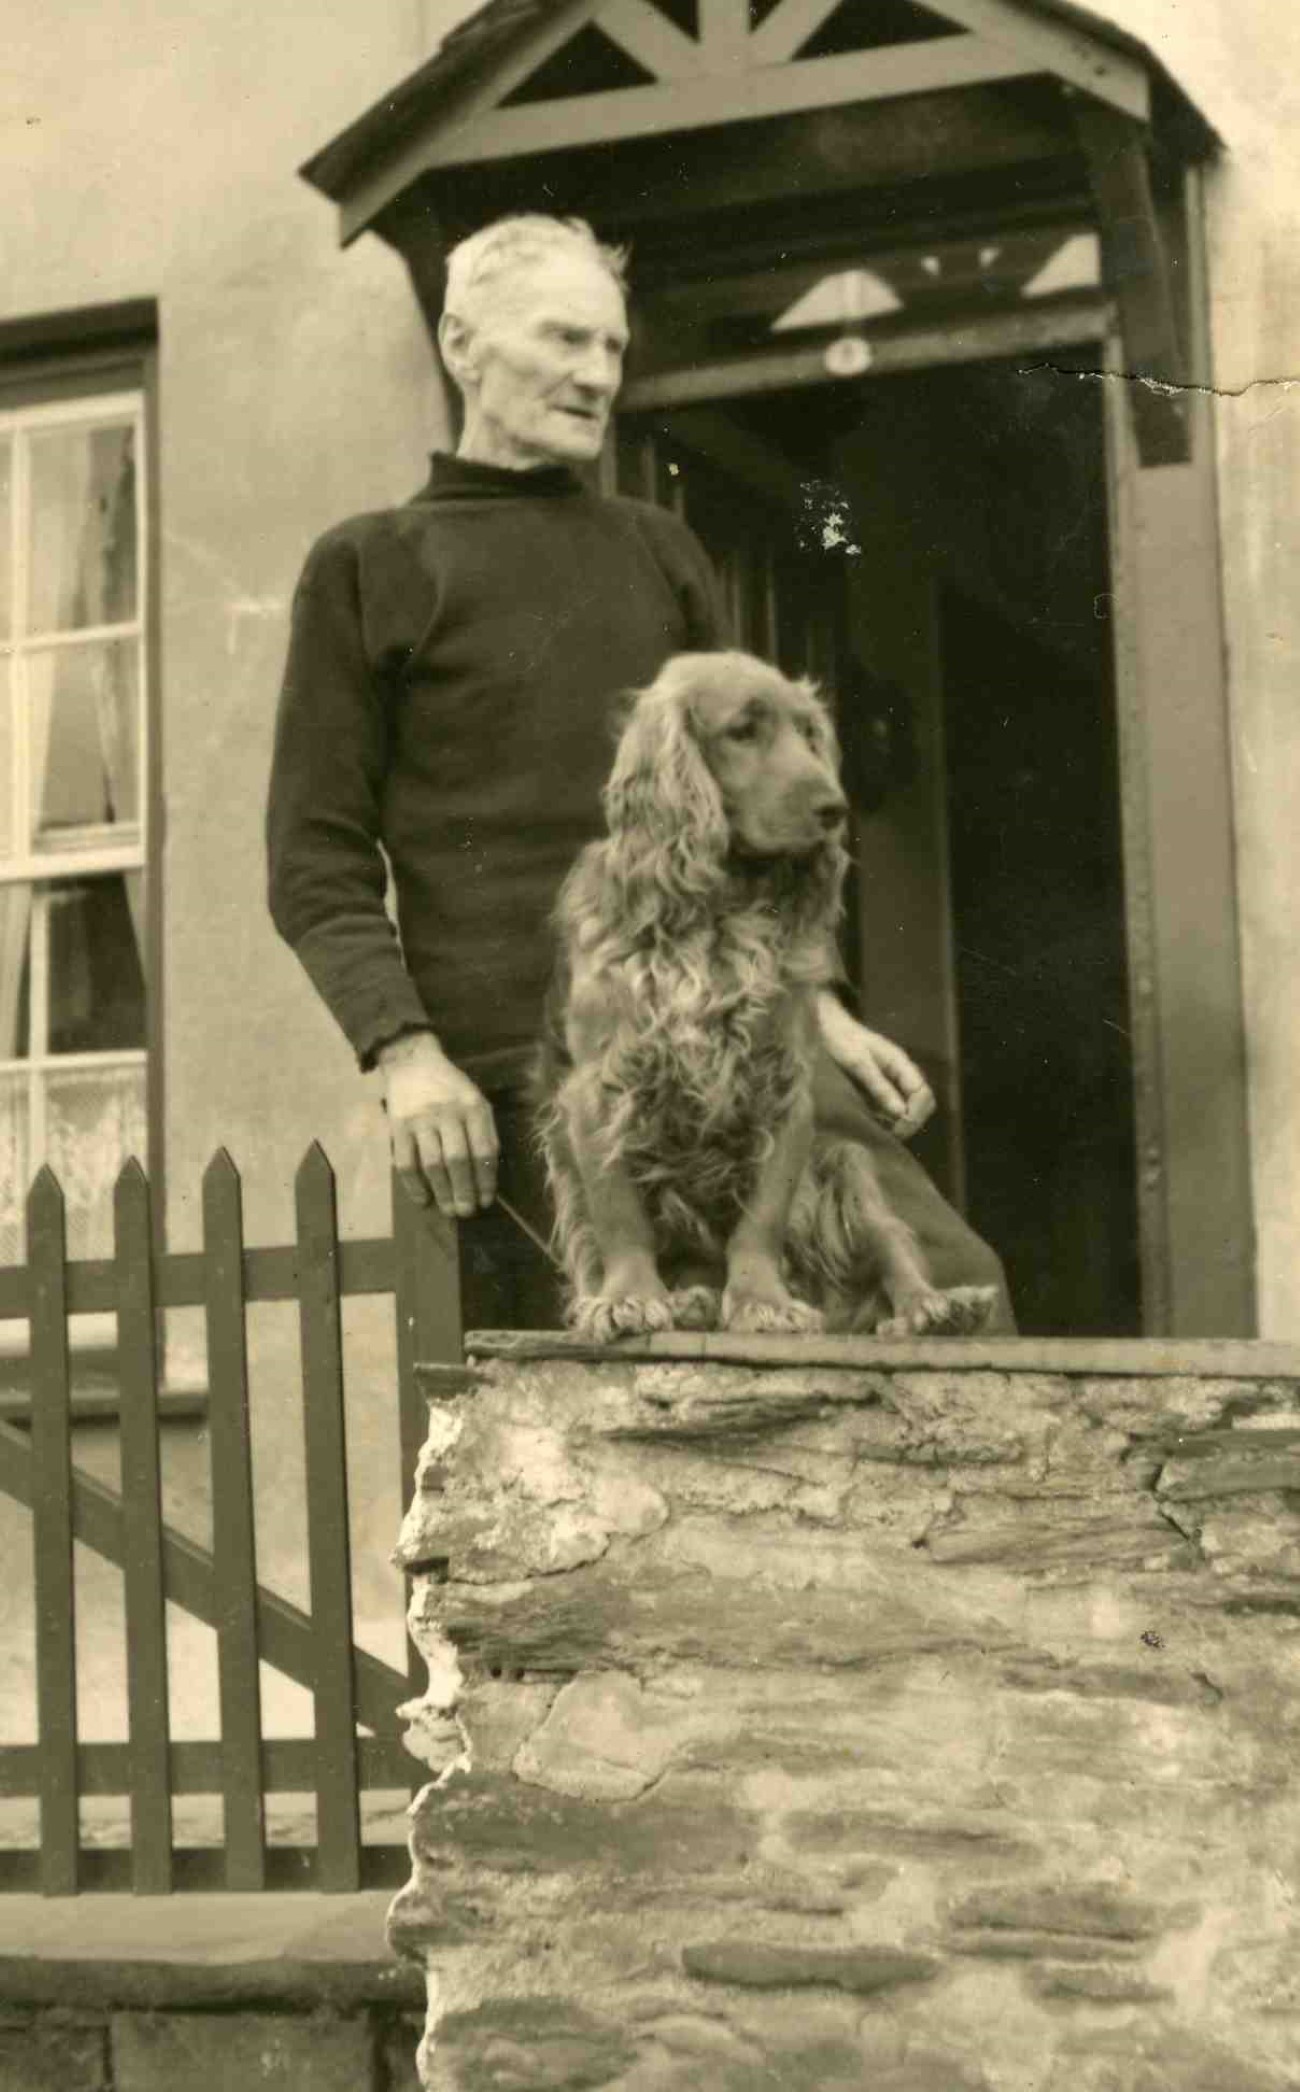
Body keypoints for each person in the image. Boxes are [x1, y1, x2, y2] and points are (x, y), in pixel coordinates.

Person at [267, 213, 1013, 1331]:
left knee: (953, 1297)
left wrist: (826, 1012)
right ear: (463, 345)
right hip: (534, 1070)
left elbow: (757, 811)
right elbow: (313, 855)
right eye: (565, 340)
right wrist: (405, 1053)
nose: (596, 375)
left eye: (613, 348)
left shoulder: (656, 549)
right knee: (628, 1425)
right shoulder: (370, 564)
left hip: (736, 1033)